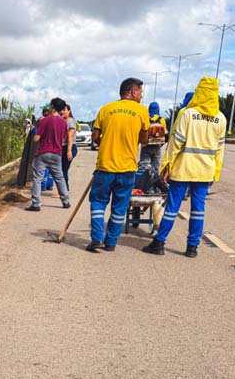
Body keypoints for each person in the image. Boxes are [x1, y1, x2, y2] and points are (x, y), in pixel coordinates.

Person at [142, 77, 227, 258]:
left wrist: (166, 165)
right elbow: (220, 150)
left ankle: (159, 242)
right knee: (198, 210)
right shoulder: (221, 119)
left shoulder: (189, 114)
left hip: (183, 168)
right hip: (205, 171)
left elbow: (176, 143)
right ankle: (192, 247)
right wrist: (215, 173)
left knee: (172, 207)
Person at [86, 78, 150, 252]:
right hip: (127, 169)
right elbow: (144, 140)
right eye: (141, 93)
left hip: (105, 166)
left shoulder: (105, 109)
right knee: (119, 207)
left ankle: (97, 238)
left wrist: (107, 143)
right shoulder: (142, 111)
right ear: (134, 91)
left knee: (98, 203)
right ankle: (111, 242)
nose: (141, 96)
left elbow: (95, 138)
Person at [26, 98, 71, 211]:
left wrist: (34, 130)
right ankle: (65, 201)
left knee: (37, 178)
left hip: (43, 153)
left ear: (52, 107)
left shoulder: (45, 120)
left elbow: (36, 139)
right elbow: (64, 137)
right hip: (57, 153)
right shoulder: (64, 122)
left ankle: (36, 204)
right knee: (59, 177)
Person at [17, 105, 49, 187]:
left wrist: (34, 129)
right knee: (48, 169)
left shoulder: (45, 122)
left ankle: (42, 186)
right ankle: (48, 184)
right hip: (52, 150)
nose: (43, 113)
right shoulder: (55, 121)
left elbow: (39, 135)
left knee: (42, 168)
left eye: (44, 111)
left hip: (44, 149)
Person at [139, 102, 167, 169]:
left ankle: (145, 179)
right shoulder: (162, 120)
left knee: (144, 167)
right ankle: (154, 178)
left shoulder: (146, 118)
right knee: (155, 167)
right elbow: (165, 134)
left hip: (146, 146)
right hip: (157, 146)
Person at [60, 104, 79, 190]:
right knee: (62, 169)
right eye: (61, 110)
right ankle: (64, 189)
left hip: (69, 147)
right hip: (64, 148)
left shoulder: (70, 121)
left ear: (69, 111)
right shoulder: (63, 121)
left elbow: (70, 137)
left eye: (64, 110)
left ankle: (64, 191)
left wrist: (69, 151)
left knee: (63, 169)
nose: (62, 112)